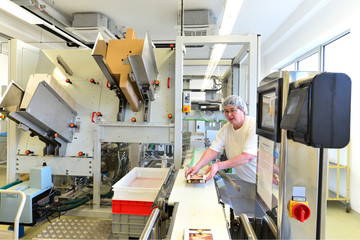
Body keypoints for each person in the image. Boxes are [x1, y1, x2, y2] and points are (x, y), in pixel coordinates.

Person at [185, 95, 258, 184]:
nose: (229, 114)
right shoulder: (226, 128)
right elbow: (212, 150)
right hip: (244, 178)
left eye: (232, 110)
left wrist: (218, 166)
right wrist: (197, 167)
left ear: (242, 110)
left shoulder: (253, 126)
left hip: (260, 180)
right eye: (226, 111)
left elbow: (247, 157)